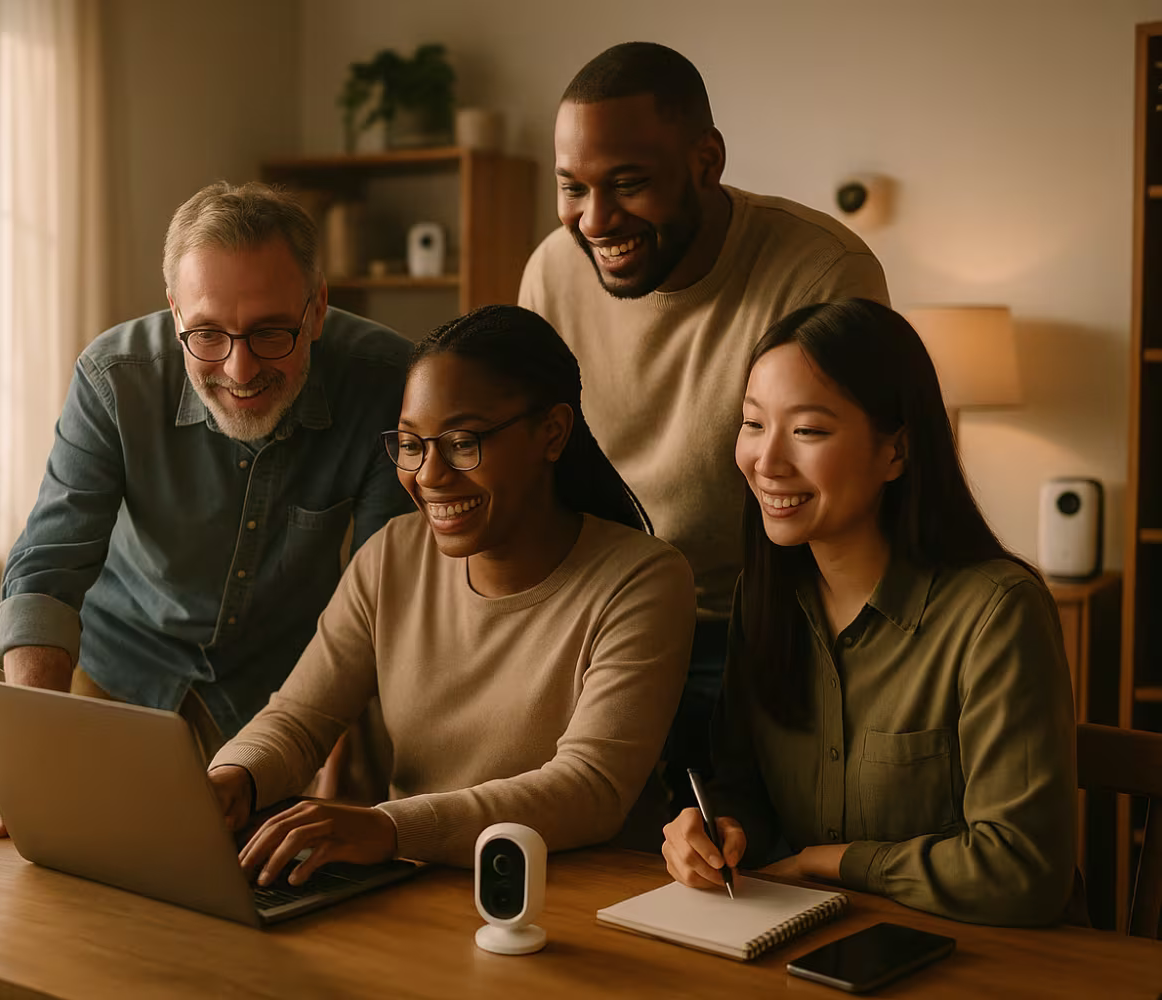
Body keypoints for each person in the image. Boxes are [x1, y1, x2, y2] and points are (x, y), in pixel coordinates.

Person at [0, 181, 412, 838]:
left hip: (289, 699)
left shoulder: (388, 381)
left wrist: (343, 729)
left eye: (270, 333)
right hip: (119, 676)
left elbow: (385, 592)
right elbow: (46, 571)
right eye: (206, 334)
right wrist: (30, 741)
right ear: (174, 313)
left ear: (317, 309)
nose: (238, 367)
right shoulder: (113, 378)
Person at [206, 305, 695, 885]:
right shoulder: (392, 556)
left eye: (463, 442)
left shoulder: (643, 580)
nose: (430, 474)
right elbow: (299, 718)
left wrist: (388, 828)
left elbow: (590, 786)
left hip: (572, 901)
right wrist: (235, 777)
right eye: (412, 444)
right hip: (414, 888)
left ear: (553, 433)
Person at [518, 41, 891, 801]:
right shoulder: (553, 270)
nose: (594, 220)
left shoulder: (819, 271)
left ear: (706, 160)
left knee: (742, 853)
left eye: (627, 183)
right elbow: (534, 468)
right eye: (572, 188)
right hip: (605, 617)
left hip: (769, 623)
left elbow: (851, 496)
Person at [661, 298, 1077, 926]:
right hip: (818, 943)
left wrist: (827, 863)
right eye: (753, 424)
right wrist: (713, 833)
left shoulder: (997, 614)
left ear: (896, 452)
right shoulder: (766, 596)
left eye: (807, 431)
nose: (766, 462)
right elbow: (742, 788)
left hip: (994, 961)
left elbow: (1022, 870)